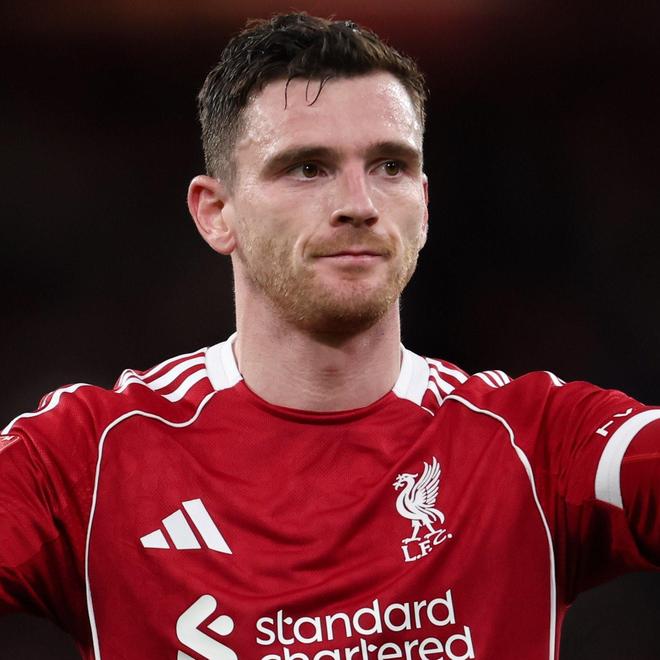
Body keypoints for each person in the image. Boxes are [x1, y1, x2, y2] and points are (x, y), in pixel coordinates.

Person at [1, 12, 659, 660]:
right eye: (308, 167)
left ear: (425, 205)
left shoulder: (538, 444)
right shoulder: (88, 460)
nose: (359, 204)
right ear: (217, 213)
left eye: (390, 166)